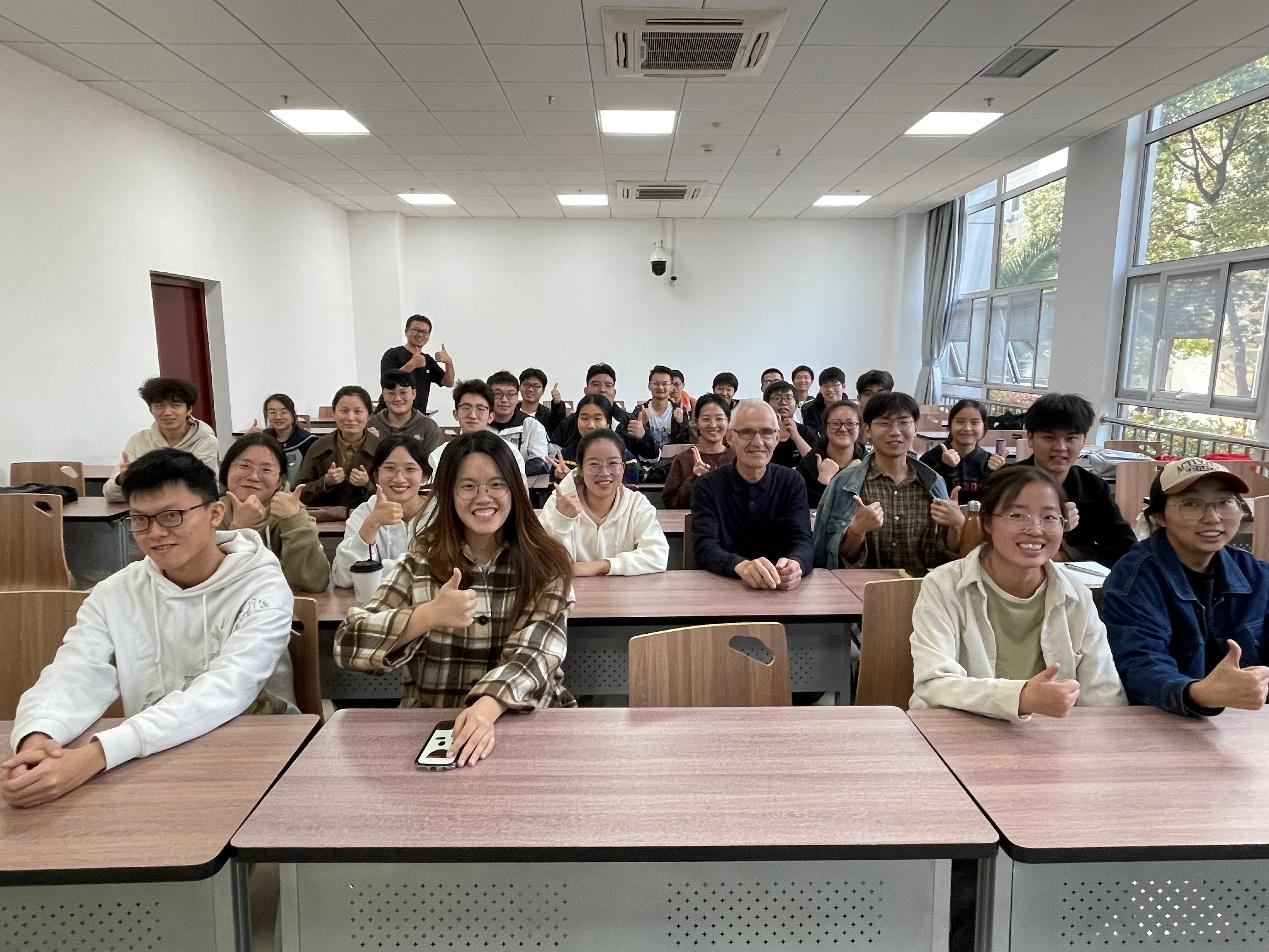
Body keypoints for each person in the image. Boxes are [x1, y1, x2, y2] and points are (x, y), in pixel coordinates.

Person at [3, 449, 295, 808]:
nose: (156, 533)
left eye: (172, 516)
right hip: (152, 756)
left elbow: (228, 687)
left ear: (215, 513)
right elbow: (74, 671)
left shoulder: (262, 587)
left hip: (254, 752)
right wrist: (37, 738)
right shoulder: (116, 592)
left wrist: (98, 754)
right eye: (140, 519)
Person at [334, 431, 575, 766]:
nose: (483, 497)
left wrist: (485, 708)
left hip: (524, 720)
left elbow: (537, 654)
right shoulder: (420, 560)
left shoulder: (546, 564)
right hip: (433, 724)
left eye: (497, 484)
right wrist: (427, 616)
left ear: (515, 490)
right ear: (447, 492)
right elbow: (348, 644)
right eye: (468, 486)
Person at [909, 466, 1127, 721]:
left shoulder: (1077, 595)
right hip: (955, 732)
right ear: (987, 522)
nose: (1035, 529)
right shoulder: (943, 585)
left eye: (1049, 517)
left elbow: (1104, 695)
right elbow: (934, 683)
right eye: (1017, 515)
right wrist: (1020, 698)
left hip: (1050, 739)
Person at [1102, 458, 1269, 716]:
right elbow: (1139, 666)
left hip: (1246, 723)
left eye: (1224, 502)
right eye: (1191, 504)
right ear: (1159, 516)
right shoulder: (1133, 579)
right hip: (1163, 723)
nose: (1212, 518)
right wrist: (1200, 694)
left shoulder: (1256, 575)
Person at [812, 391, 963, 576]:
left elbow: (950, 555)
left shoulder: (934, 483)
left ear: (915, 428)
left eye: (904, 422)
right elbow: (831, 557)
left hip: (924, 587)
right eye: (884, 423)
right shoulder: (844, 484)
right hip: (860, 587)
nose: (895, 431)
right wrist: (856, 532)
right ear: (867, 430)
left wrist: (958, 525)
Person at [691, 400, 813, 590]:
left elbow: (802, 540)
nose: (758, 442)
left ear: (777, 437)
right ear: (730, 437)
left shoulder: (792, 481)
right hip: (724, 587)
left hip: (780, 590)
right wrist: (741, 566)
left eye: (766, 432)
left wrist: (797, 563)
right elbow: (705, 547)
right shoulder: (707, 485)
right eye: (747, 432)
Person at [1020, 393, 1135, 567]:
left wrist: (1067, 554)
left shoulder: (1093, 487)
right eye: (1049, 437)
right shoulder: (1006, 483)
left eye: (1071, 438)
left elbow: (1125, 547)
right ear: (1030, 438)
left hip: (1078, 578)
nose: (1060, 447)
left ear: (1084, 440)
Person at [540, 429, 669, 577]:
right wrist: (562, 521)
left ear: (623, 467)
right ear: (580, 468)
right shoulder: (559, 501)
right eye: (594, 464)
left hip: (621, 590)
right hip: (570, 590)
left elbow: (658, 555)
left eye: (613, 463)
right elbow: (544, 561)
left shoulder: (636, 504)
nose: (604, 473)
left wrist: (602, 566)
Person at [218, 433, 329, 593]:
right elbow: (208, 580)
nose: (254, 476)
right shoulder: (210, 513)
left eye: (266, 469)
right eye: (244, 466)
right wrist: (239, 530)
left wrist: (293, 521)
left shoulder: (292, 510)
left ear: (279, 480)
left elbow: (314, 582)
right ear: (226, 470)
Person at [332, 436, 432, 588]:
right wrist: (372, 524)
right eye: (390, 468)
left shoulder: (441, 512)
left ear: (424, 475)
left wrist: (379, 570)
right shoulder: (364, 513)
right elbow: (344, 577)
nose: (399, 478)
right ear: (376, 475)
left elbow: (443, 570)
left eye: (410, 469)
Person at [103, 377, 219, 502]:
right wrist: (122, 479)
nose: (167, 412)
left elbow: (200, 489)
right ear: (150, 410)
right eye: (159, 406)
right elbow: (110, 494)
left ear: (189, 409)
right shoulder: (138, 440)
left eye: (176, 405)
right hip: (147, 510)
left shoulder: (205, 441)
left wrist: (140, 480)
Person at [297, 385, 380, 513]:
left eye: (358, 411)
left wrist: (367, 484)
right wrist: (325, 482)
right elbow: (301, 492)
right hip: (326, 518)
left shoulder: (380, 448)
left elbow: (392, 494)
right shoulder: (318, 447)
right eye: (344, 411)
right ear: (334, 413)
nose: (350, 418)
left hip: (369, 516)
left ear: (369, 415)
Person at [429, 380, 528, 483]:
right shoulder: (439, 455)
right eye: (466, 408)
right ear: (456, 414)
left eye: (480, 409)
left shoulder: (509, 452)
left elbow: (520, 491)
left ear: (491, 417)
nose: (472, 415)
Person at [549, 363, 656, 458]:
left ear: (614, 392)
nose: (602, 390)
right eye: (596, 384)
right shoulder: (569, 423)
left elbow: (653, 458)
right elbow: (552, 454)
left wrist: (643, 437)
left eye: (608, 385)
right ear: (586, 390)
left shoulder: (630, 422)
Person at [918, 399, 1005, 504]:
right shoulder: (930, 459)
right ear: (950, 426)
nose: (967, 428)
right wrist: (946, 468)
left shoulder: (989, 462)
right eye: (960, 422)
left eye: (975, 422)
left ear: (984, 428)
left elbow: (993, 502)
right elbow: (931, 497)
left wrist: (997, 474)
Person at [662, 394, 734, 508]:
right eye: (706, 419)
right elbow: (671, 503)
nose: (713, 425)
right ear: (696, 423)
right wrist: (694, 478)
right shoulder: (683, 459)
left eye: (719, 418)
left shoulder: (737, 458)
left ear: (728, 421)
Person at [551, 394, 640, 486]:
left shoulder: (625, 458)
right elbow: (553, 492)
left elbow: (629, 491)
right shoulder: (564, 458)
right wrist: (562, 479)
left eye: (597, 419)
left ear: (608, 423)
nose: (591, 425)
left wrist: (573, 478)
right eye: (585, 418)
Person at [378, 314, 455, 413]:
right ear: (406, 332)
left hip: (417, 416)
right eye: (416, 330)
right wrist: (412, 364)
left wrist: (449, 363)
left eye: (424, 332)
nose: (420, 334)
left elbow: (448, 382)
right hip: (388, 414)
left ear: (428, 336)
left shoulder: (427, 360)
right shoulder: (392, 354)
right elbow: (387, 382)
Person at [797, 399, 865, 507]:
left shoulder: (869, 463)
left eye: (850, 424)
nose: (843, 429)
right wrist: (823, 481)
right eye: (835, 423)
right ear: (825, 427)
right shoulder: (808, 464)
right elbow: (804, 508)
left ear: (860, 428)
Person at [487, 371, 551, 475]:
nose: (504, 400)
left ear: (517, 396)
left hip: (522, 483)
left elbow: (541, 463)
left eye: (511, 394)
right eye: (498, 394)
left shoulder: (532, 425)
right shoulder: (479, 424)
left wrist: (505, 474)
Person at [370, 370, 443, 458]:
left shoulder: (429, 427)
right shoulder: (372, 424)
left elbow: (435, 463)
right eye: (391, 393)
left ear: (413, 394)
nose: (397, 398)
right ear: (384, 396)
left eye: (403, 393)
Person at [256, 393, 318, 488]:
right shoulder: (263, 439)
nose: (278, 417)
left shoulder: (308, 442)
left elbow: (311, 477)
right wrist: (247, 439)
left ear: (292, 416)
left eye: (283, 412)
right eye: (272, 412)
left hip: (298, 493)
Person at [636, 364, 690, 451]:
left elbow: (684, 443)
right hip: (646, 458)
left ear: (671, 387)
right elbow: (632, 443)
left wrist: (680, 424)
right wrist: (642, 424)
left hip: (672, 458)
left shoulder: (680, 411)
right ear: (649, 386)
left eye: (665, 384)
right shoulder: (640, 410)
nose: (660, 387)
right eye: (656, 383)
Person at [765, 380, 815, 468]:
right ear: (767, 405)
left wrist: (796, 436)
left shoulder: (805, 431)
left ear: (796, 405)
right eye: (777, 398)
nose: (783, 402)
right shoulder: (760, 432)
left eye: (788, 398)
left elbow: (816, 464)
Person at [799, 366, 846, 435]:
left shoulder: (853, 410)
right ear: (820, 388)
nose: (830, 389)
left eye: (835, 385)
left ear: (843, 387)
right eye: (825, 386)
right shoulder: (809, 409)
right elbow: (810, 436)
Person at [518, 367, 566, 433]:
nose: (530, 389)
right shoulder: (510, 412)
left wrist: (557, 404)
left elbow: (558, 425)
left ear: (543, 391)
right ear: (519, 387)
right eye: (526, 384)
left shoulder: (547, 416)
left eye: (536, 386)